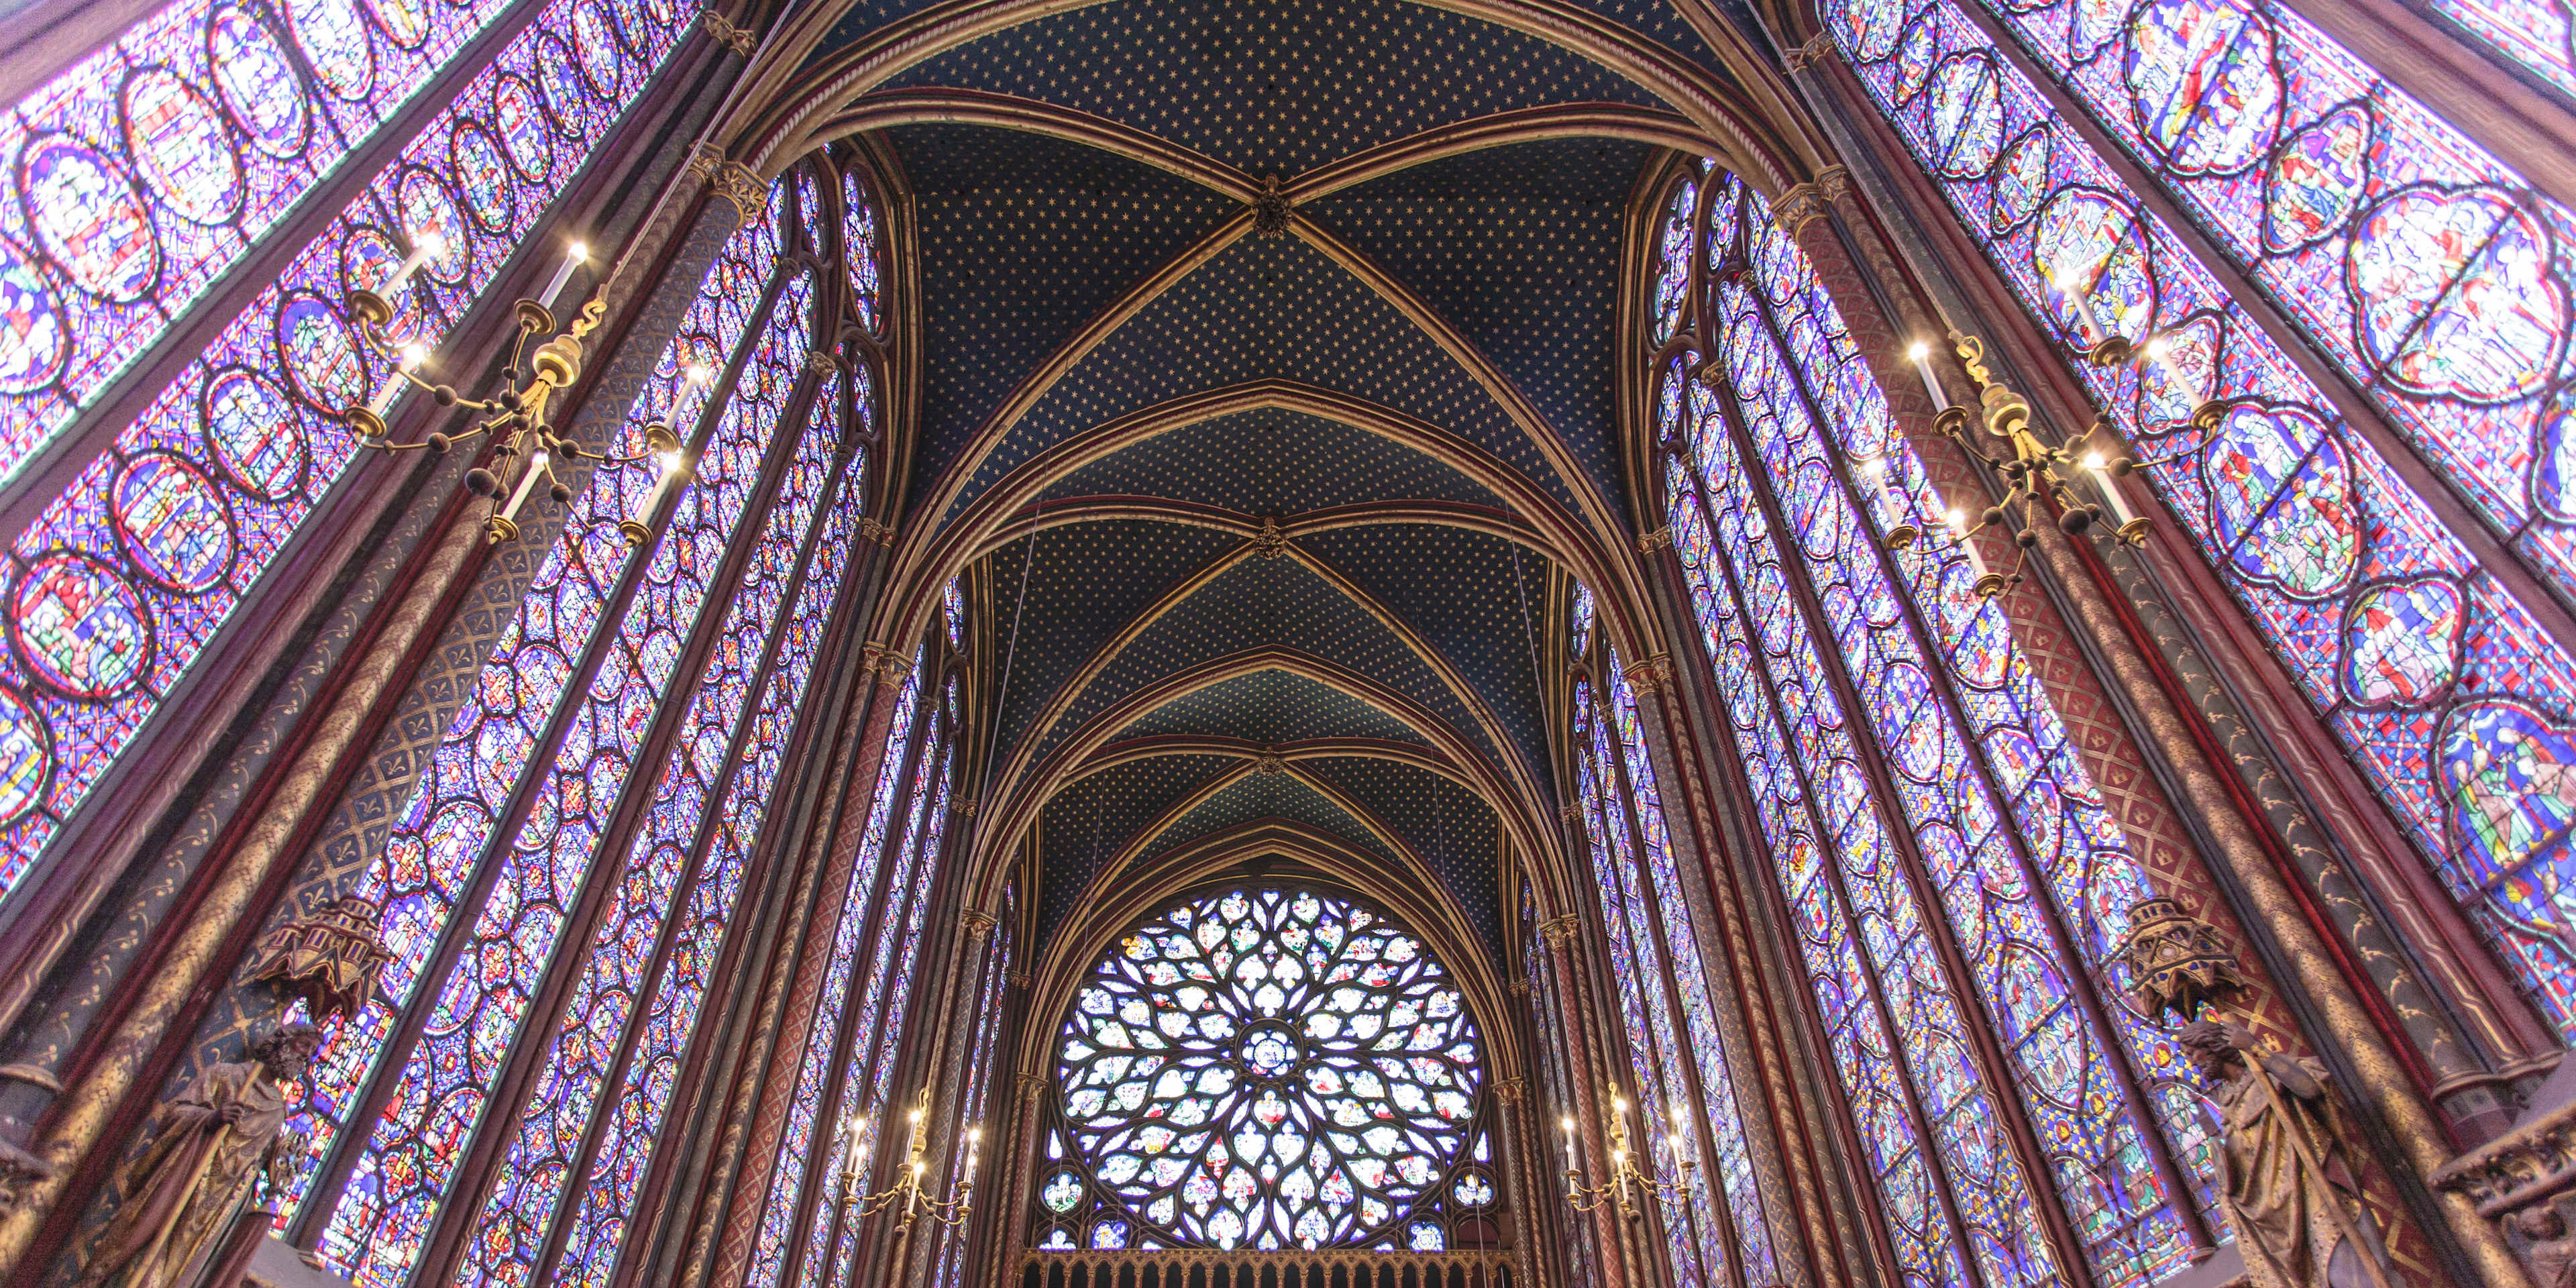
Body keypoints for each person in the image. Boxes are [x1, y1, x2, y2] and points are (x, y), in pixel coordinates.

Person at [82, 1022, 323, 1288]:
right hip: (183, 1182)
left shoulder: (278, 1110)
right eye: (304, 1046)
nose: (306, 1057)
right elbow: (176, 1114)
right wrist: (211, 1119)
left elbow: (257, 1162)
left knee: (180, 1272)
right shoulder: (225, 1076)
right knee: (139, 1257)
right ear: (280, 1041)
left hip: (217, 1205)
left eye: (312, 1052)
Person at [2180, 1019, 2392, 1288]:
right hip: (2274, 1214)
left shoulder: (2266, 1075)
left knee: (2347, 1273)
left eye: (2191, 1053)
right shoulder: (2229, 1104)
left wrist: (2257, 1050)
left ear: (2212, 1046)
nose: (2191, 1063)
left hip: (2311, 1190)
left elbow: (2309, 1088)